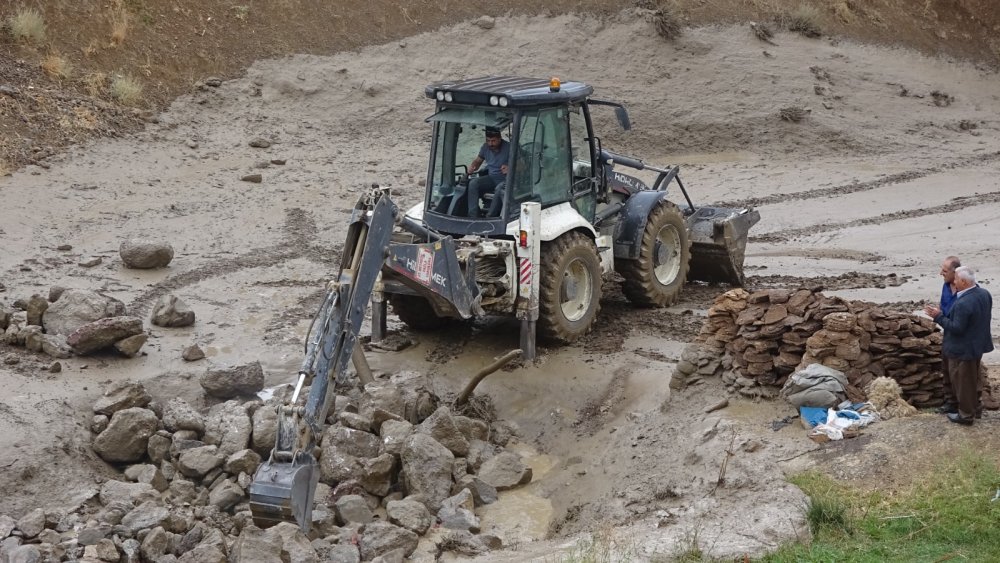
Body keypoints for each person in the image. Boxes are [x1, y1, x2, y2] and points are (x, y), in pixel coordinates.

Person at [924, 266, 994, 425]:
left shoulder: (964, 302)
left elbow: (956, 328)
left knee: (963, 383)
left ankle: (966, 415)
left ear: (963, 281)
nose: (953, 282)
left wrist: (938, 316)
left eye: (955, 279)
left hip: (962, 349)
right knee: (972, 380)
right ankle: (975, 410)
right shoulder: (984, 294)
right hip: (977, 345)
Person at [935, 255, 961, 413]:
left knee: (960, 372)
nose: (941, 273)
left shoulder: (967, 290)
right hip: (948, 333)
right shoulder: (945, 286)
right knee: (946, 368)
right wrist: (938, 314)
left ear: (955, 272)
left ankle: (966, 405)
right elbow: (944, 308)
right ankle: (950, 402)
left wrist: (939, 316)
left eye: (944, 270)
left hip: (962, 337)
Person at [466, 127, 509, 217]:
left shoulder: (509, 148)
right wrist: (473, 166)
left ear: (499, 139)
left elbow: (523, 165)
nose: (490, 144)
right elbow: (478, 160)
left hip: (505, 179)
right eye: (488, 141)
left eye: (493, 141)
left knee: (499, 189)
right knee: (473, 183)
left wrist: (510, 168)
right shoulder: (485, 147)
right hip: (492, 178)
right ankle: (473, 215)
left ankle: (490, 216)